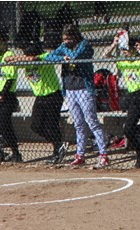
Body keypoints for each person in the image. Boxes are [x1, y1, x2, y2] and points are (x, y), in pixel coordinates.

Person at [44, 25, 109, 169]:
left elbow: (76, 56)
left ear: (75, 36)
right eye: (64, 39)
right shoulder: (64, 47)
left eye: (68, 38)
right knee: (78, 124)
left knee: (91, 121)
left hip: (84, 89)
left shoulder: (84, 45)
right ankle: (80, 155)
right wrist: (62, 56)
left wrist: (66, 52)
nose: (66, 41)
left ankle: (103, 154)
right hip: (70, 89)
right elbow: (49, 57)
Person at [7, 40, 67, 164]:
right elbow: (9, 60)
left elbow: (35, 60)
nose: (25, 55)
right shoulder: (26, 61)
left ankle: (57, 152)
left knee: (51, 125)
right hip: (40, 97)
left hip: (53, 95)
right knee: (36, 125)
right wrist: (18, 58)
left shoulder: (45, 56)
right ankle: (59, 143)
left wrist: (22, 59)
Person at [105, 34, 140, 168]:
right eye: (124, 50)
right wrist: (114, 44)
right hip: (133, 95)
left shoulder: (139, 60)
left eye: (127, 49)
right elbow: (106, 55)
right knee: (128, 128)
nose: (125, 52)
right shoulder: (123, 62)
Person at [0, 30, 22, 163]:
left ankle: (16, 152)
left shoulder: (9, 55)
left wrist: (2, 95)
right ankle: (0, 152)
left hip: (7, 94)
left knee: (4, 123)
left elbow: (10, 78)